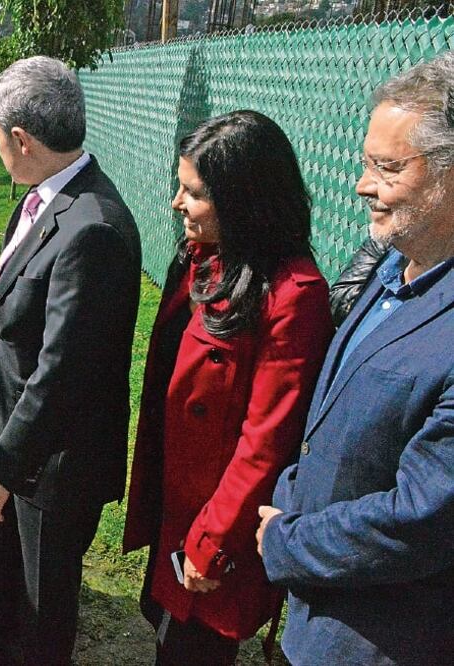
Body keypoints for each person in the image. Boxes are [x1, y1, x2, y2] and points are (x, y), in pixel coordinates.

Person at [256, 52, 454, 665]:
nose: (363, 186)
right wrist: (294, 492)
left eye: (387, 168)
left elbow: (423, 520)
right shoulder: (394, 264)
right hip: (322, 616)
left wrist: (287, 539)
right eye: (367, 163)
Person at [122, 110, 334, 665]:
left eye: (193, 193)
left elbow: (267, 441)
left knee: (194, 645)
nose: (177, 203)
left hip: (218, 522)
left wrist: (213, 540)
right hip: (177, 505)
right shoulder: (205, 261)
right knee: (166, 628)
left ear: (242, 201)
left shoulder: (293, 295)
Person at [0, 56, 141, 664]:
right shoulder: (50, 196)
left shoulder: (94, 229)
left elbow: (64, 373)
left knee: (38, 622)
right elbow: (53, 293)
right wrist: (5, 271)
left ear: (21, 140)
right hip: (18, 441)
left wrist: (3, 470)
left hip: (47, 471)